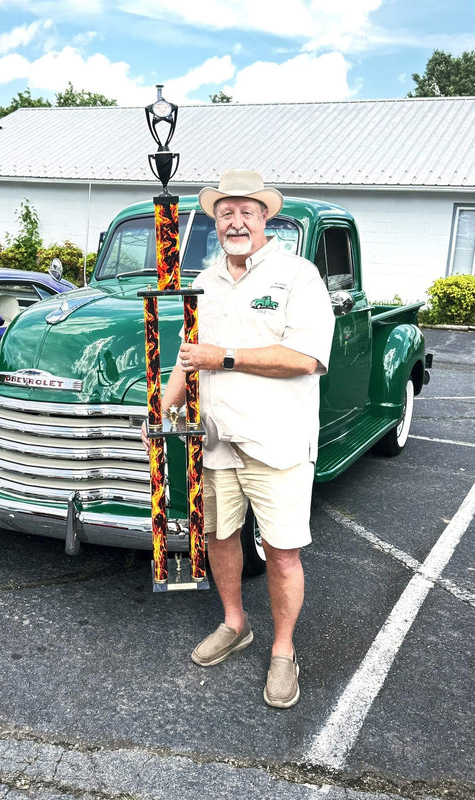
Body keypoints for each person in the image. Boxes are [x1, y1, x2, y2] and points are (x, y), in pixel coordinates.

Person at [142, 169, 335, 708]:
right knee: (220, 538)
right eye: (225, 212)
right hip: (216, 440)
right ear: (214, 221)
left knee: (282, 552)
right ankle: (235, 623)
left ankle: (282, 651)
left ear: (266, 217)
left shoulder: (298, 276)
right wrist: (162, 409)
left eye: (247, 211)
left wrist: (223, 357)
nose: (236, 220)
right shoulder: (202, 280)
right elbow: (187, 354)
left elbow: (307, 358)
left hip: (278, 443)